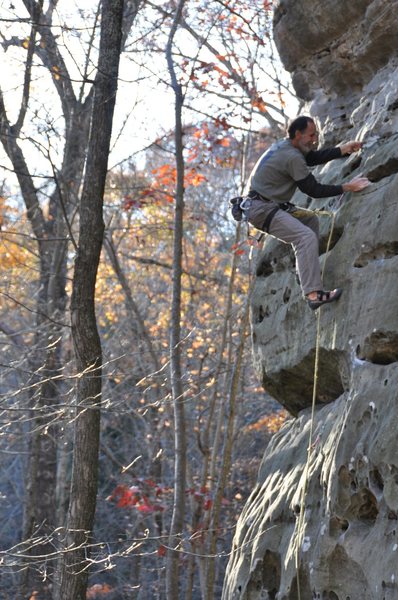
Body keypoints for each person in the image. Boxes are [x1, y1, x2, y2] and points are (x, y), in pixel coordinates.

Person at [245, 115, 370, 310]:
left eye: (315, 134)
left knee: (309, 221)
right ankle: (313, 294)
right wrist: (348, 186)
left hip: (263, 205)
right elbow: (313, 190)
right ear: (297, 134)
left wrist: (342, 149)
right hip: (261, 209)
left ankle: (303, 270)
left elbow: (311, 157)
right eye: (311, 135)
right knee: (304, 237)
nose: (314, 139)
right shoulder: (291, 156)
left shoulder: (287, 146)